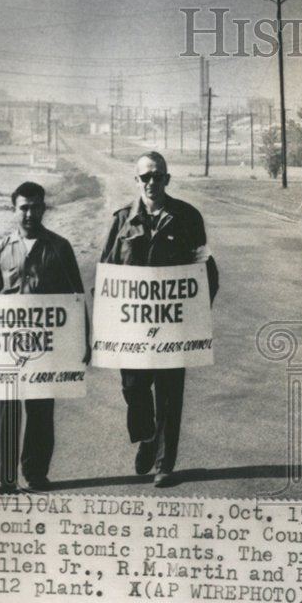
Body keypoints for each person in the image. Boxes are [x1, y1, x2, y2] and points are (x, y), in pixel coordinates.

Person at [100, 151, 219, 487]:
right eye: (146, 177)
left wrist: (195, 312)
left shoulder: (187, 217)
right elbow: (107, 273)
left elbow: (205, 268)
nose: (153, 182)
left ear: (168, 179)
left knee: (169, 393)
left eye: (159, 176)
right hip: (132, 328)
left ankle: (165, 463)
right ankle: (147, 435)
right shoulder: (122, 220)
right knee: (134, 387)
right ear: (136, 180)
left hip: (173, 326)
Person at [0, 181, 88, 494]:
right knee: (6, 408)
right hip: (7, 347)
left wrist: (83, 339)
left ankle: (36, 473)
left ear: (44, 208)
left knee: (41, 409)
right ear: (14, 209)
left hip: (45, 347)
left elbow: (76, 296)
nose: (29, 213)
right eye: (23, 207)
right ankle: (5, 476)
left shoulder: (59, 247)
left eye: (35, 206)